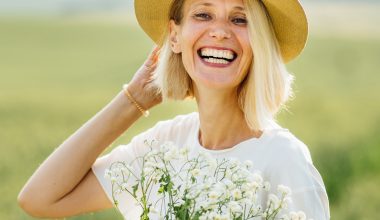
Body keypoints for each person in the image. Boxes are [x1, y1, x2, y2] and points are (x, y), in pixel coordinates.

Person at [18, 0, 330, 219]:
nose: (220, 31)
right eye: (203, 14)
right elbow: (41, 199)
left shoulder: (284, 160)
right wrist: (133, 100)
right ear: (175, 36)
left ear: (259, 43)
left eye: (239, 19)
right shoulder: (164, 148)